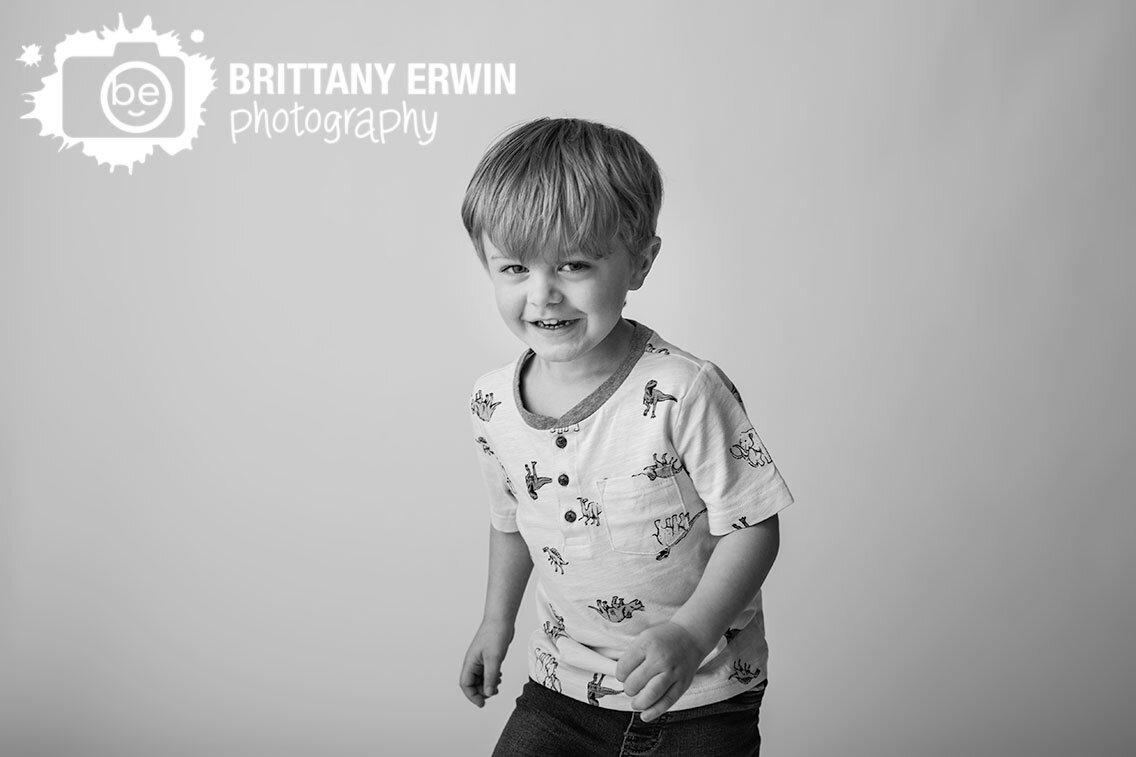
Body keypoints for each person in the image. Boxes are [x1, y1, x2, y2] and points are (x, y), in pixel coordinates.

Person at [458, 117, 794, 756]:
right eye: (513, 267)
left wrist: (690, 635)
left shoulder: (683, 391)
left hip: (699, 692)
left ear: (640, 261)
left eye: (574, 263)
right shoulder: (490, 403)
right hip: (562, 686)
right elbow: (511, 522)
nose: (543, 294)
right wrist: (495, 623)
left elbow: (753, 525)